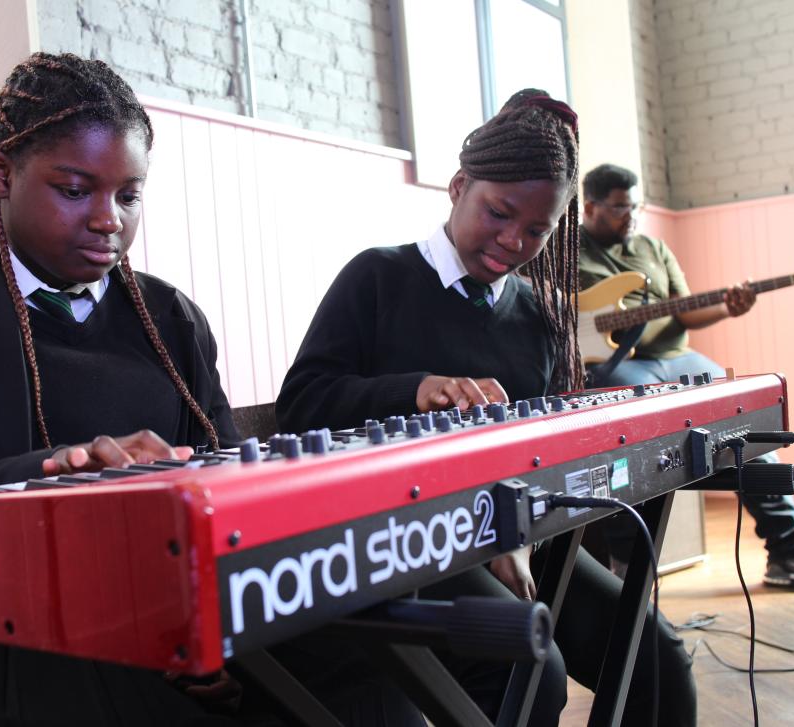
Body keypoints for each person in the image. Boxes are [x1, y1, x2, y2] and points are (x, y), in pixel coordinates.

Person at [0, 53, 417, 727]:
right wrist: (54, 476)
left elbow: (231, 498)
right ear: (1, 174)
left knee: (372, 677)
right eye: (75, 189)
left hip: (154, 620)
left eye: (128, 195)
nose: (107, 220)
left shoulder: (170, 318)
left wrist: (218, 638)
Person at [276, 90, 697, 727]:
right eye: (498, 213)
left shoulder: (538, 315)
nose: (512, 241)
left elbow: (543, 449)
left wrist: (517, 528)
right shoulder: (377, 279)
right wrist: (413, 389)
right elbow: (302, 405)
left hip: (515, 533)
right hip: (408, 545)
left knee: (657, 657)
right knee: (531, 669)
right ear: (458, 186)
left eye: (537, 230)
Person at [577, 163, 794, 590]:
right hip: (618, 366)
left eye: (635, 207)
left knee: (746, 421)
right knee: (627, 441)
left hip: (676, 359)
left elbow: (685, 308)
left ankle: (792, 552)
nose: (630, 216)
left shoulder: (653, 248)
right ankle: (626, 568)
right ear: (590, 206)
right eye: (621, 208)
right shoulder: (567, 252)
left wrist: (729, 306)